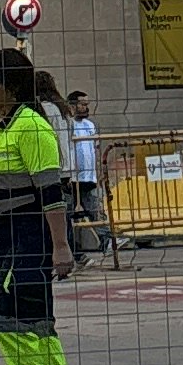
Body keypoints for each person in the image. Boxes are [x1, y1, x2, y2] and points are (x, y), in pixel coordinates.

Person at [0, 46, 82, 365]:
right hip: (8, 235)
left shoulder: (31, 127)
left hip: (30, 236)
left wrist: (60, 247)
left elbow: (52, 194)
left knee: (10, 322)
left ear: (12, 85)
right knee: (38, 328)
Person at [63, 86, 105, 257]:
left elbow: (95, 149)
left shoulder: (90, 125)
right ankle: (72, 249)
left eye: (87, 104)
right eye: (82, 104)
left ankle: (107, 240)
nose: (86, 108)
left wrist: (99, 171)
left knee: (95, 211)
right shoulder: (67, 124)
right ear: (72, 106)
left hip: (89, 177)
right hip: (72, 179)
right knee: (68, 214)